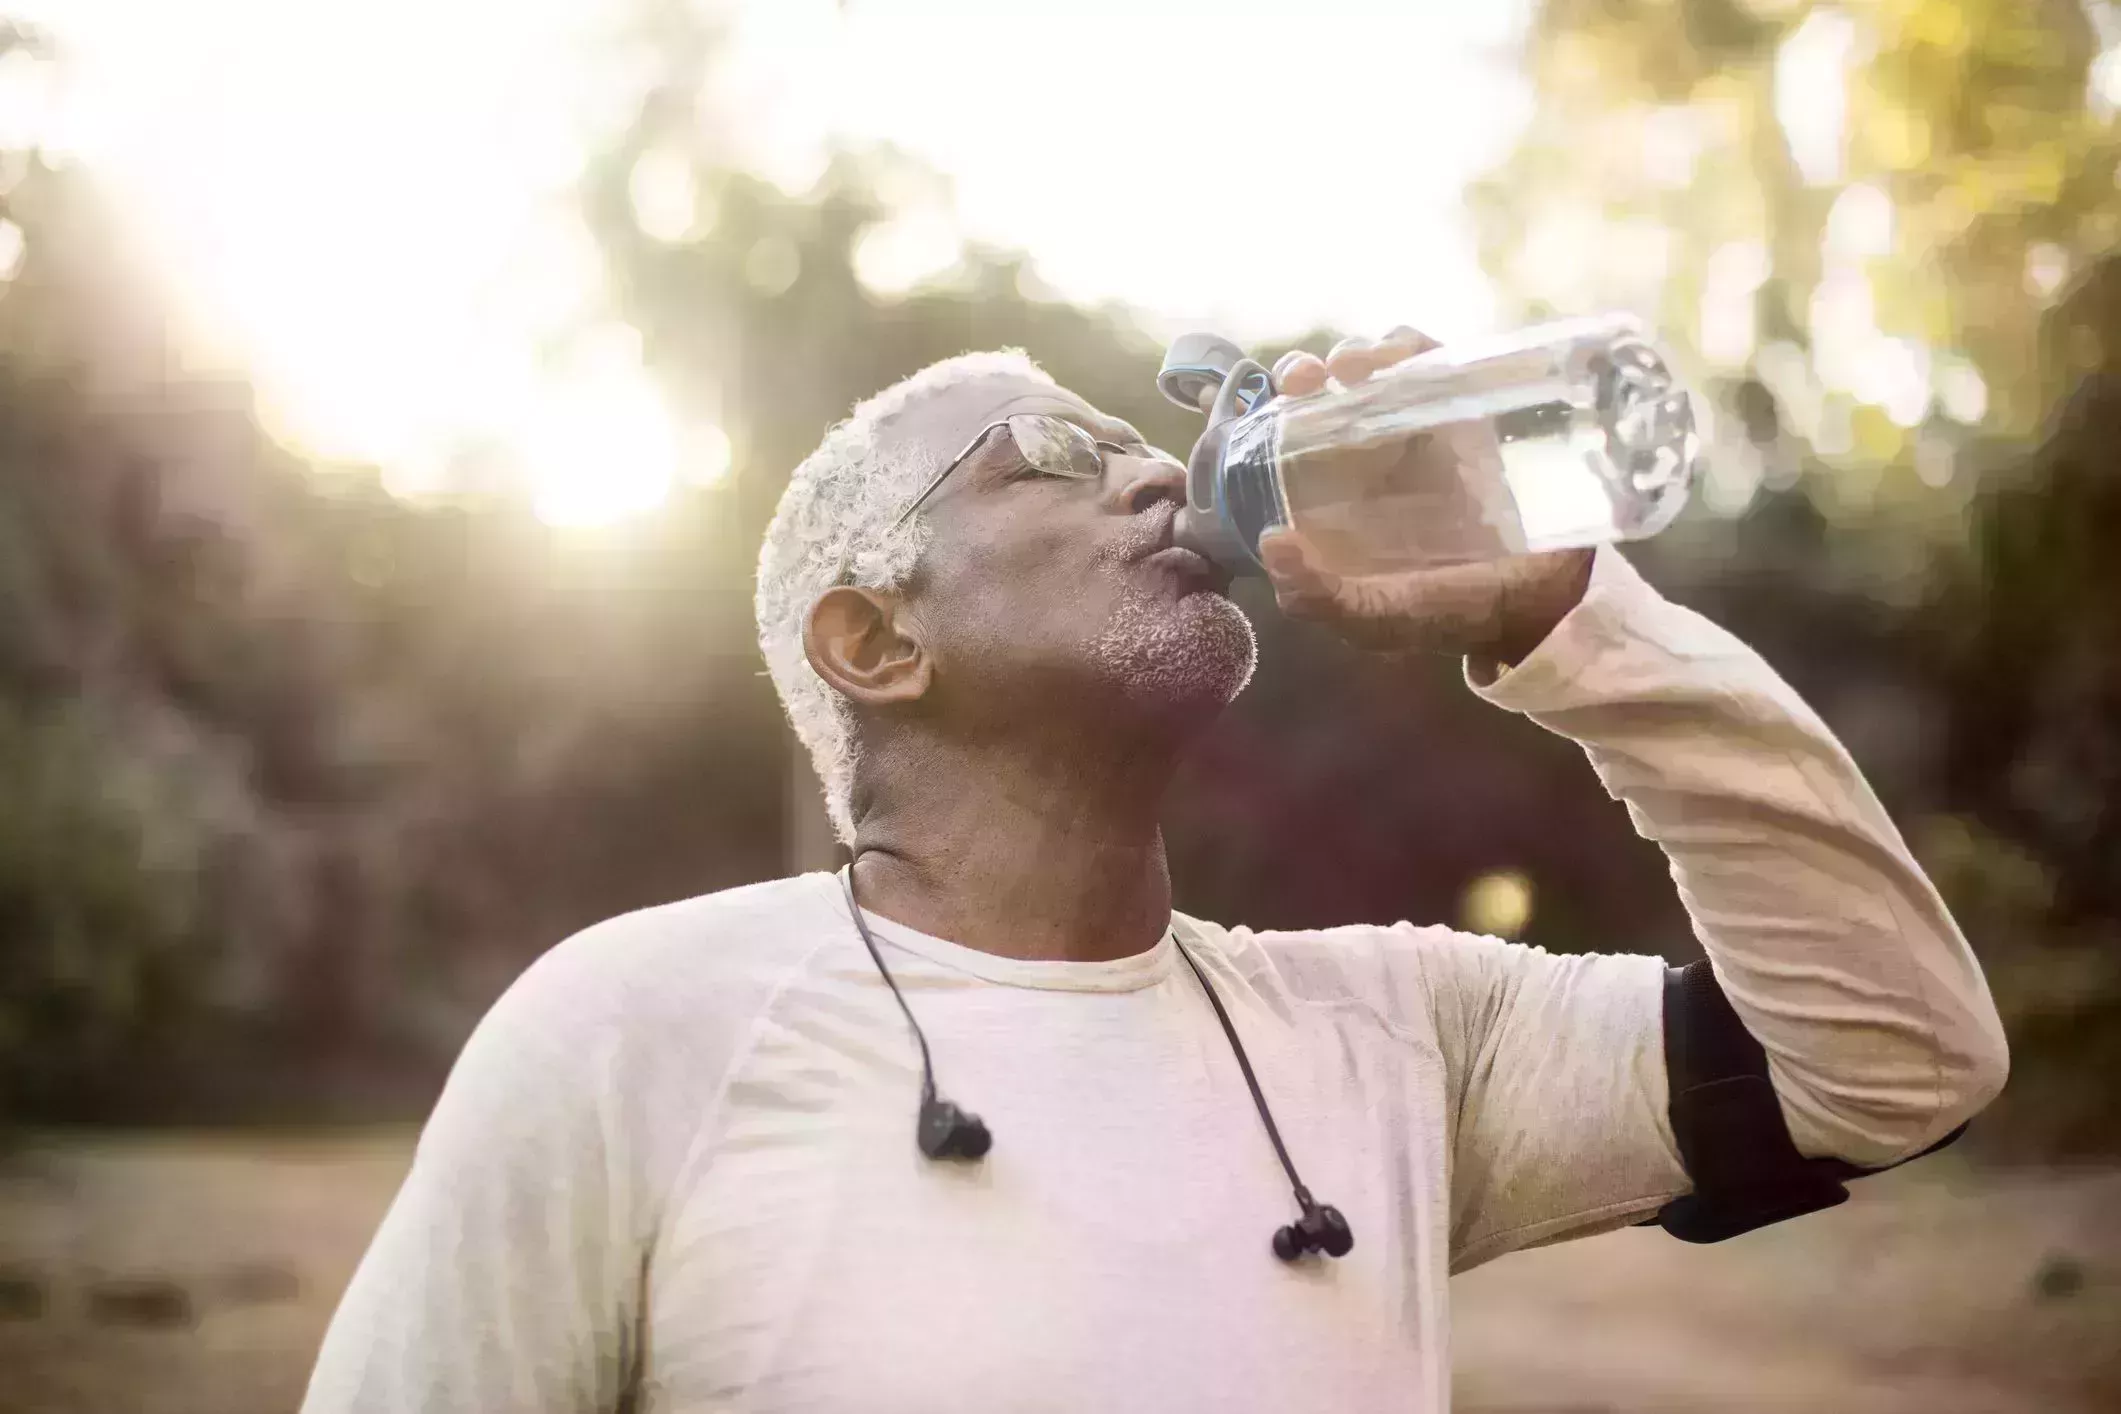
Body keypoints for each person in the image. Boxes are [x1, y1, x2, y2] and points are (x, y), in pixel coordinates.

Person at [302, 330, 2009, 1413]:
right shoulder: (629, 1029)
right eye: (1045, 455)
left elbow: (1900, 1055)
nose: (1146, 470)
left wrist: (1568, 620)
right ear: (875, 640)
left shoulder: (1399, 1031)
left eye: (1138, 438)